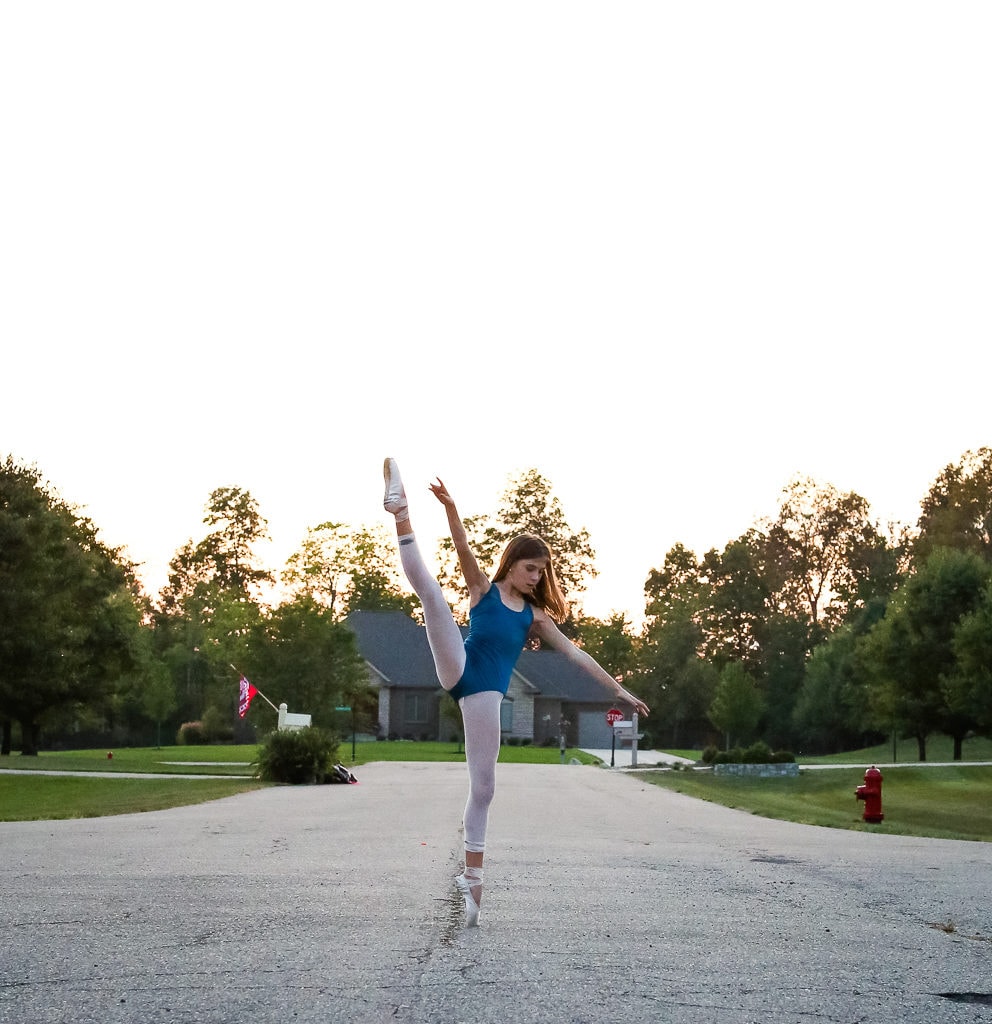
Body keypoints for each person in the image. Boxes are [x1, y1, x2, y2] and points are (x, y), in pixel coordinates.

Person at [382, 457, 649, 926]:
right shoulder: (483, 590)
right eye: (530, 568)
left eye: (542, 573)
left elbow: (577, 657)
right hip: (460, 668)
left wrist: (620, 691)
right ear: (512, 565)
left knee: (484, 788)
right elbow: (463, 545)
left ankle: (473, 878)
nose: (536, 578)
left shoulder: (534, 617)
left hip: (485, 694)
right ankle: (400, 510)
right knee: (432, 594)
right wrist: (451, 507)